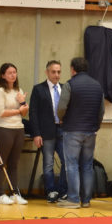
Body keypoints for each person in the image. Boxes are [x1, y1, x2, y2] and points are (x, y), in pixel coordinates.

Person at [57, 57, 105, 209]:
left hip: (72, 130)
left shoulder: (70, 84)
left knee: (71, 165)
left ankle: (73, 199)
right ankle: (86, 200)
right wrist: (96, 126)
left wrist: (61, 118)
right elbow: (101, 111)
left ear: (73, 69)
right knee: (87, 166)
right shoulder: (97, 86)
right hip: (90, 131)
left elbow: (61, 107)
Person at [29, 60, 67, 203]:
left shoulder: (65, 88)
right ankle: (51, 191)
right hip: (46, 132)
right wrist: (36, 133)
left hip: (63, 131)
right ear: (47, 72)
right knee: (48, 163)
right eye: (53, 72)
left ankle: (62, 190)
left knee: (67, 161)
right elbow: (33, 113)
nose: (56, 75)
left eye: (59, 72)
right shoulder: (39, 89)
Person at [0, 63, 28, 205]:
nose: (13, 75)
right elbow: (1, 112)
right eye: (9, 73)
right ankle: (0, 194)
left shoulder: (18, 90)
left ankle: (14, 193)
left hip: (18, 128)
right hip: (4, 129)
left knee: (14, 163)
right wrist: (19, 110)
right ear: (3, 75)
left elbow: (24, 112)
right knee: (1, 163)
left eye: (15, 72)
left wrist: (23, 102)